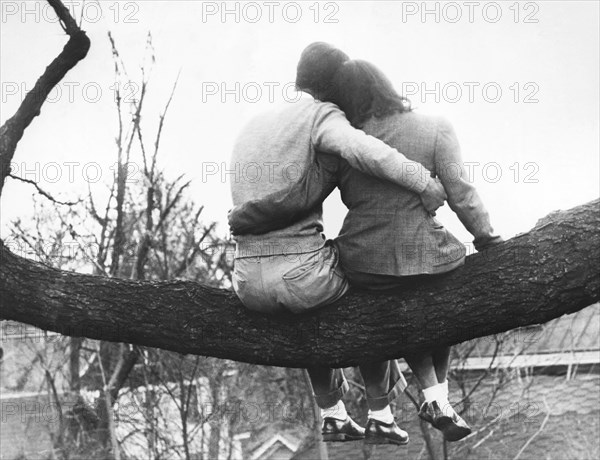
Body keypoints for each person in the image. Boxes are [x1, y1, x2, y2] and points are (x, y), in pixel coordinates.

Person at [229, 58, 504, 442]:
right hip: (380, 263)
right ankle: (412, 401)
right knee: (405, 310)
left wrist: (248, 216)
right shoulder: (338, 125)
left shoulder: (260, 126)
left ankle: (346, 411)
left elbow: (301, 192)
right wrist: (440, 198)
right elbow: (386, 161)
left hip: (257, 275)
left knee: (355, 305)